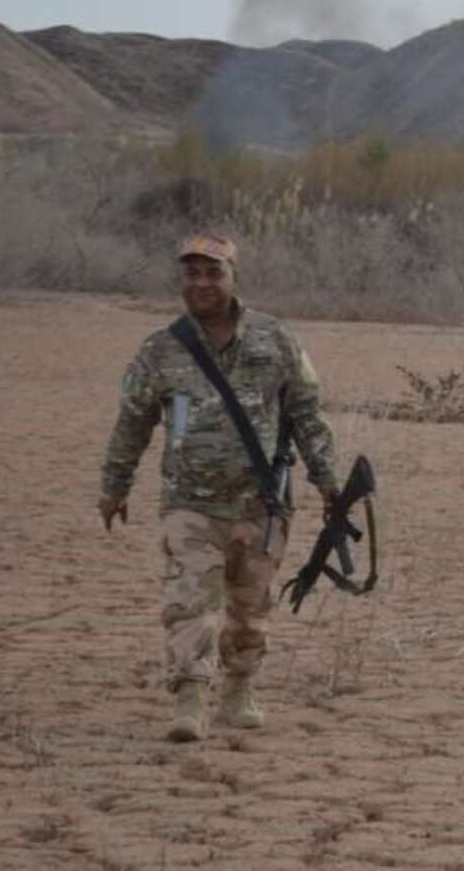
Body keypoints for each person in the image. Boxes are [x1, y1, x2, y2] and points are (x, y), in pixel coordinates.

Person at [98, 232, 340, 742]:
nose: (202, 283)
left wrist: (328, 480)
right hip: (189, 504)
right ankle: (188, 698)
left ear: (234, 277)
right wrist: (115, 485)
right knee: (189, 602)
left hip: (261, 505)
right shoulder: (160, 350)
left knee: (250, 610)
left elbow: (307, 416)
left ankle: (238, 691)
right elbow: (133, 422)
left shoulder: (276, 341)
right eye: (192, 273)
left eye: (214, 272)